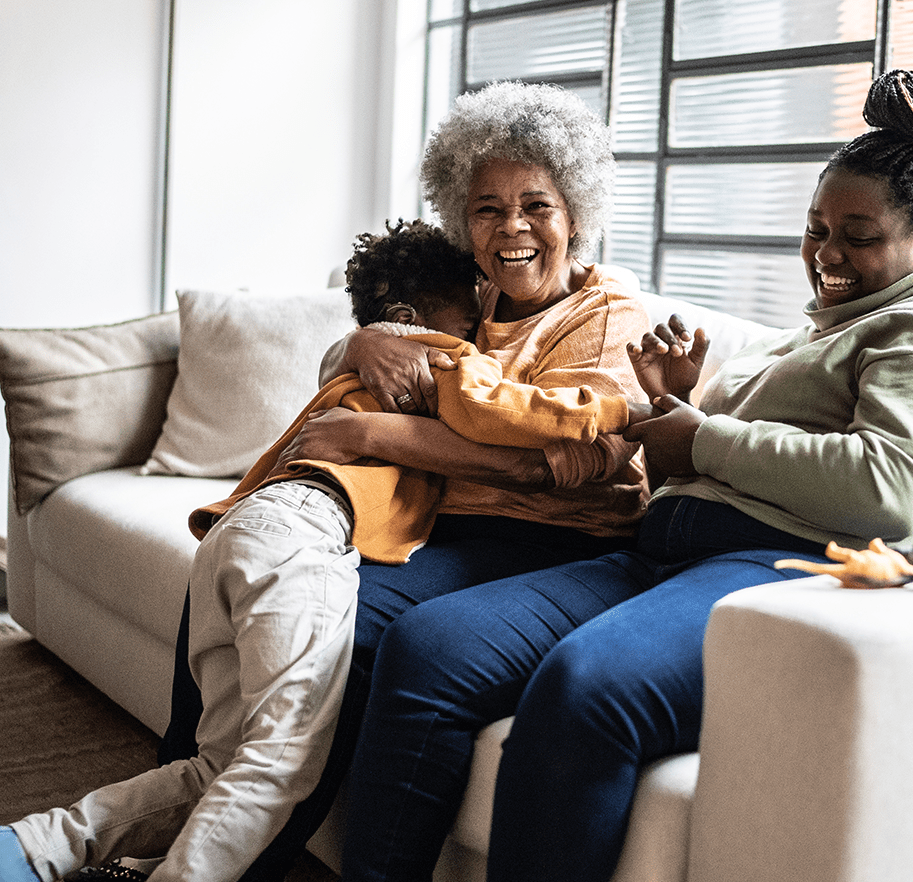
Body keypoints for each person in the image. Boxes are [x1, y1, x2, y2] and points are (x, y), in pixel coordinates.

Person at [326, 69, 913, 882]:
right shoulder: (799, 340)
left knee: (586, 687)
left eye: (858, 235)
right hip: (662, 553)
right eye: (816, 227)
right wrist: (674, 404)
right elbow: (693, 449)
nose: (826, 254)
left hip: (785, 567)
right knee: (427, 645)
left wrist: (704, 437)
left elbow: (894, 488)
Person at [0, 214, 640, 882]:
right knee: (278, 765)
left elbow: (355, 367)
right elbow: (508, 413)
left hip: (242, 532)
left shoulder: (377, 354)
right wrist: (615, 410)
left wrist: (364, 350)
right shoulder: (438, 356)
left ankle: (22, 852)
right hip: (302, 543)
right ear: (422, 314)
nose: (477, 324)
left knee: (218, 765)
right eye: (469, 311)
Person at [158, 81, 652, 882]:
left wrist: (378, 433)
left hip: (556, 539)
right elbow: (380, 345)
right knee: (244, 574)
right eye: (488, 208)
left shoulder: (607, 314)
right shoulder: (473, 296)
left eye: (538, 205)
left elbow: (557, 465)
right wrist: (361, 345)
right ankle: (172, 814)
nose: (513, 229)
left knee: (372, 646)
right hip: (442, 528)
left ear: (578, 213)